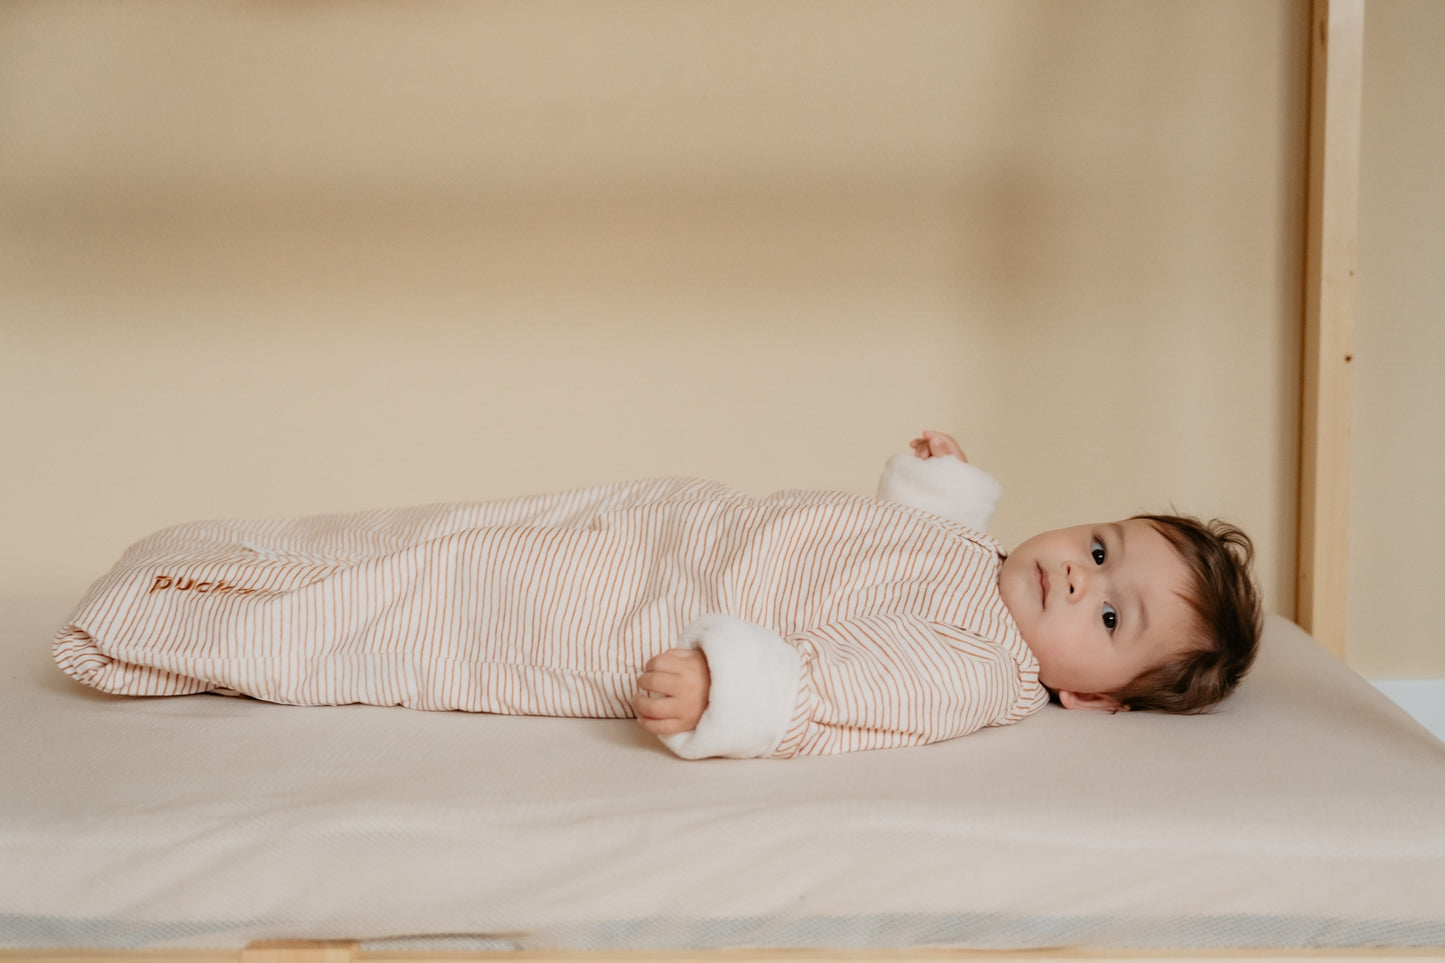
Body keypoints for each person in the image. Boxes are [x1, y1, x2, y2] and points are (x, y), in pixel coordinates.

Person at [54, 431, 1260, 760]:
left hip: (624, 618)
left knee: (417, 614)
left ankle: (173, 625)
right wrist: (935, 485)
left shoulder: (971, 665)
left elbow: (839, 689)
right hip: (643, 532)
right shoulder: (975, 570)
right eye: (1101, 548)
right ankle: (209, 558)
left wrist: (722, 688)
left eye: (1109, 619)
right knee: (423, 539)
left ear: (1086, 697)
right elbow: (895, 545)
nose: (1078, 577)